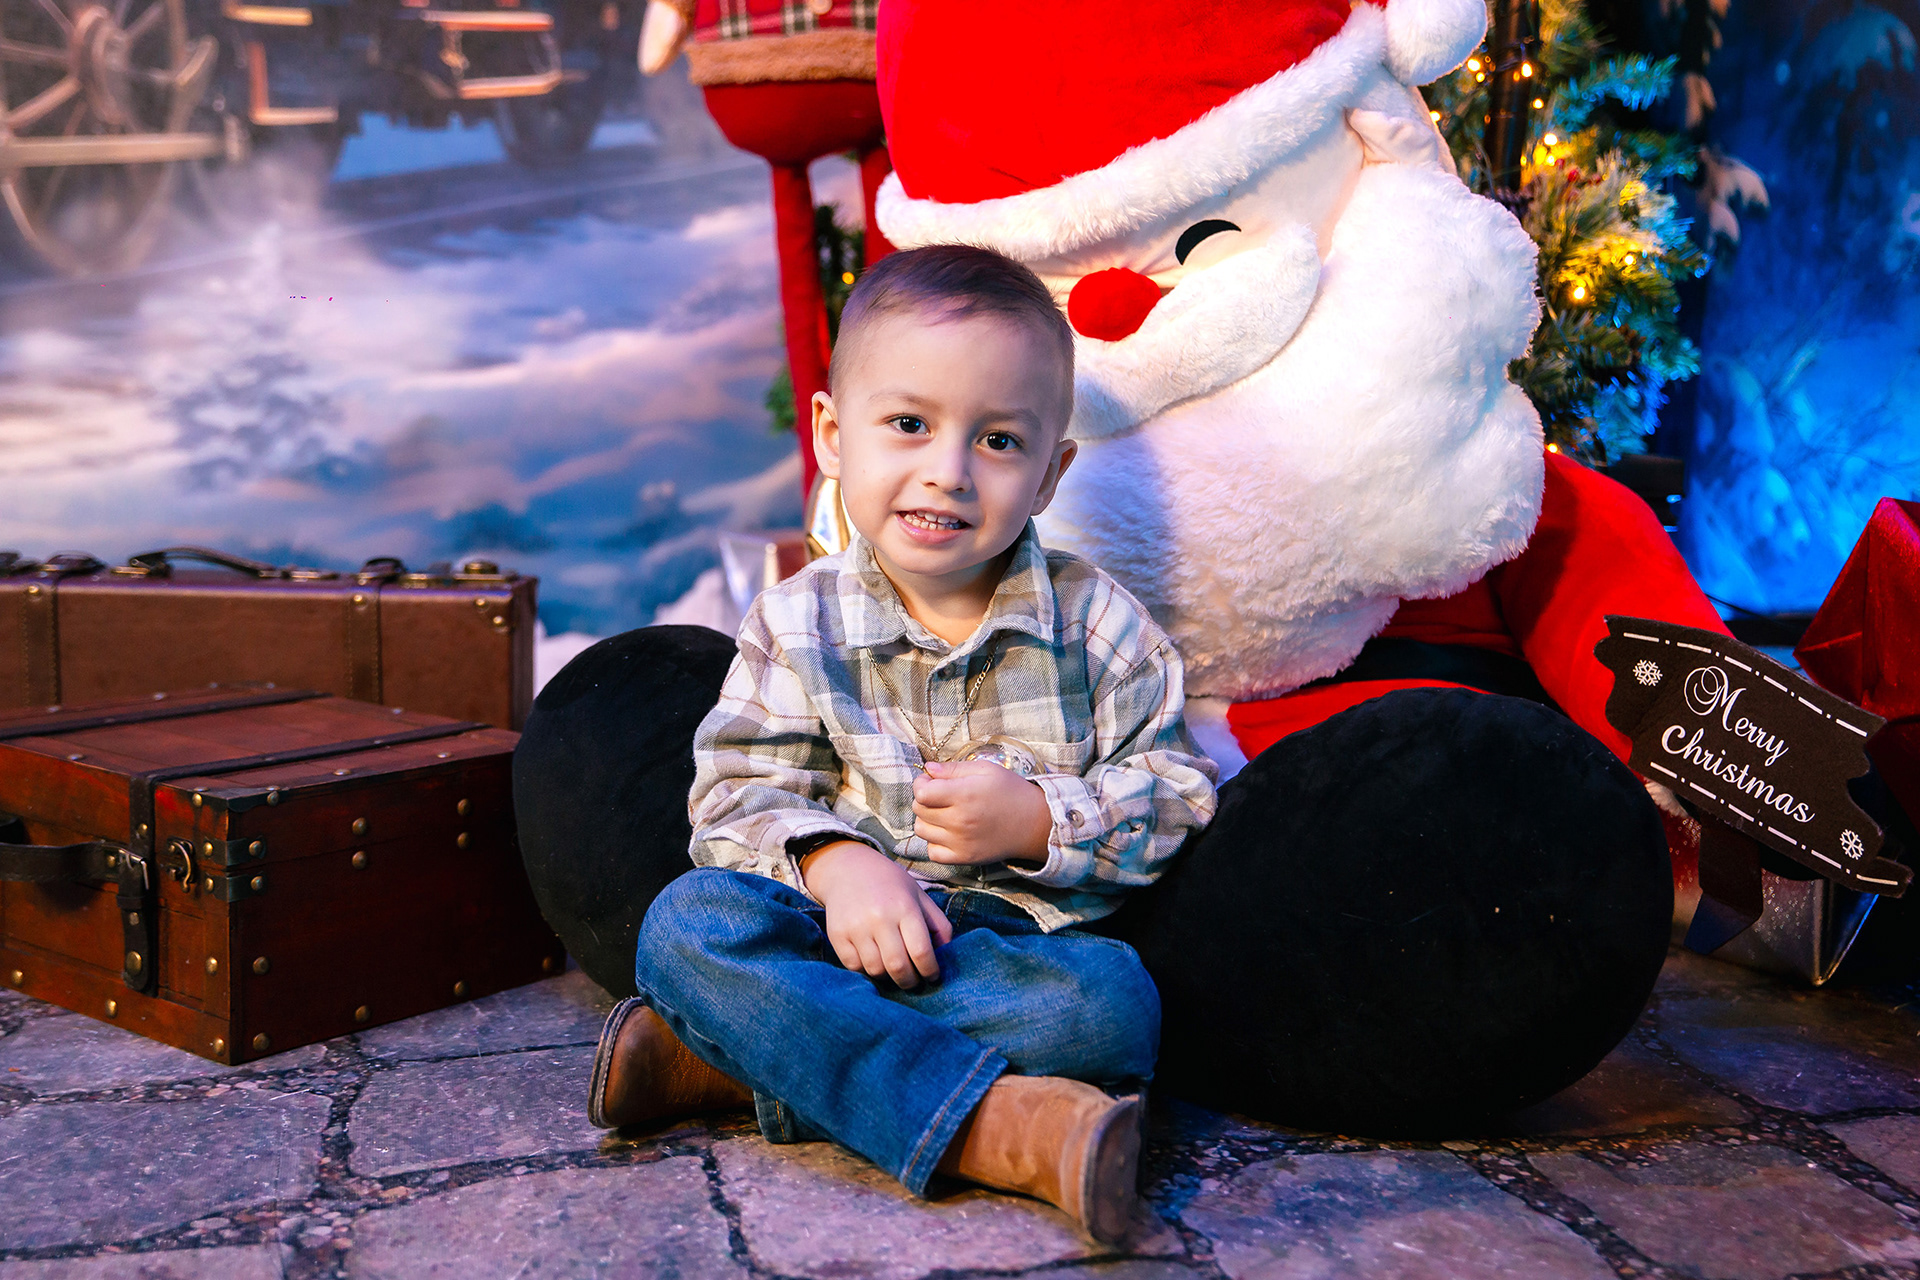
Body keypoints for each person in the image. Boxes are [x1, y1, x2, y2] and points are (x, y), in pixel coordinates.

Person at [585, 244, 1218, 1241]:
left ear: (1050, 475)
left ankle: (732, 1063)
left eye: (998, 440)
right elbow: (734, 794)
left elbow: (1177, 792)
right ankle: (999, 1127)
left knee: (1114, 1007)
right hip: (829, 940)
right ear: (835, 436)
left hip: (1003, 956)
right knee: (686, 926)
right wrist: (837, 864)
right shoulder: (796, 622)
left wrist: (1042, 820)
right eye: (910, 424)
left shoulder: (1102, 628)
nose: (948, 471)